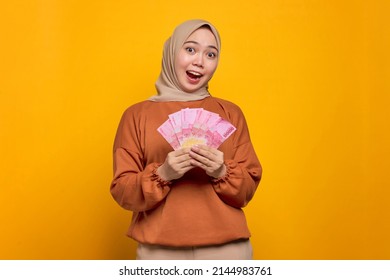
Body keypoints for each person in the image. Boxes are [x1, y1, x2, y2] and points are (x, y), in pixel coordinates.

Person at [110, 19, 262, 260]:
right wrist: (163, 174)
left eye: (210, 54)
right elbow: (121, 190)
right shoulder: (136, 115)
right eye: (190, 49)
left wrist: (221, 171)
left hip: (227, 250)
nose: (199, 62)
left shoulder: (230, 113)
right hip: (158, 249)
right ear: (172, 51)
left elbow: (248, 188)